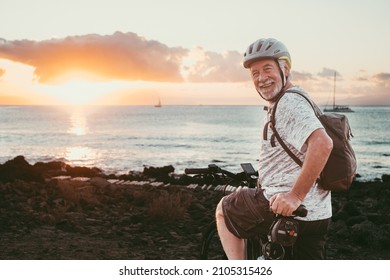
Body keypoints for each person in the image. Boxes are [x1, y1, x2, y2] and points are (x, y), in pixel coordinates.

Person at [215, 38, 333, 259]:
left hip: (289, 210)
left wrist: (295, 195)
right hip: (319, 215)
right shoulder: (300, 98)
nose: (261, 78)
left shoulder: (289, 102)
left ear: (285, 69)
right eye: (255, 73)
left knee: (224, 209)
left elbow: (323, 143)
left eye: (267, 69)